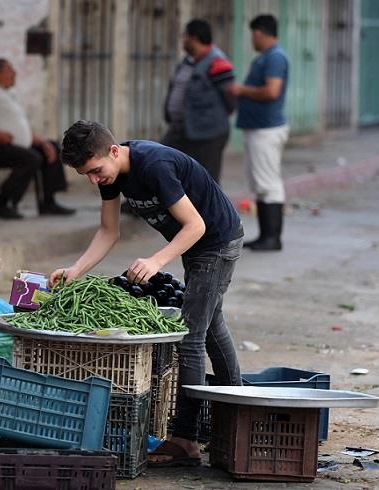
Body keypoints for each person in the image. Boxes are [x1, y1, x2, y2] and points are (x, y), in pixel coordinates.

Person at [51, 120, 243, 467]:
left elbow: (195, 225)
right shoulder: (111, 173)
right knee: (212, 329)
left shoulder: (153, 165)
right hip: (198, 244)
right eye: (85, 175)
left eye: (94, 170)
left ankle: (185, 438)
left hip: (215, 241)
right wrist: (75, 270)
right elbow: (109, 231)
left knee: (191, 337)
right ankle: (237, 419)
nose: (94, 180)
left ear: (113, 151)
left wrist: (156, 260)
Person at [0, 58, 75, 219]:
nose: (14, 73)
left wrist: (42, 142)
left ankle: (48, 202)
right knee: (31, 158)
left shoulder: (9, 93)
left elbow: (22, 127)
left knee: (52, 147)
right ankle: (1, 203)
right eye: (9, 69)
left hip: (17, 146)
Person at [229, 14, 289, 251]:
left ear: (260, 33)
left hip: (266, 128)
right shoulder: (268, 57)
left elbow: (272, 91)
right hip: (260, 127)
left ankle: (272, 237)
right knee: (262, 182)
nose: (252, 39)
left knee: (268, 182)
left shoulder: (275, 57)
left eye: (253, 34)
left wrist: (241, 90)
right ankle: (266, 236)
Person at [162, 19, 236, 183]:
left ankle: (209, 209)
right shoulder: (189, 61)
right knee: (160, 162)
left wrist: (212, 118)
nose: (182, 40)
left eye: (185, 36)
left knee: (206, 180)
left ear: (193, 38)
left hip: (208, 133)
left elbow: (230, 96)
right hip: (181, 129)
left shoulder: (217, 62)